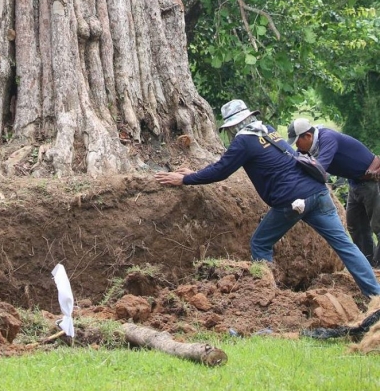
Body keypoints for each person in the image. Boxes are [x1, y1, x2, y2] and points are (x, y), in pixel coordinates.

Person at [155, 99, 380, 298]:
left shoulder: (243, 141)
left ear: (233, 126)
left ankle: (266, 299)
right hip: (318, 193)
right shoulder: (268, 130)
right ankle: (375, 295)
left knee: (260, 243)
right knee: (345, 246)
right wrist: (192, 173)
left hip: (291, 201)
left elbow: (220, 171)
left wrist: (185, 180)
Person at [287, 118, 380, 268]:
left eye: (297, 141)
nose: (296, 146)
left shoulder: (327, 138)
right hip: (355, 183)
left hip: (372, 180)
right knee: (356, 227)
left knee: (378, 226)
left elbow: (320, 169)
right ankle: (368, 267)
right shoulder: (311, 146)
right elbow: (296, 161)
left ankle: (377, 268)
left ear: (308, 136)